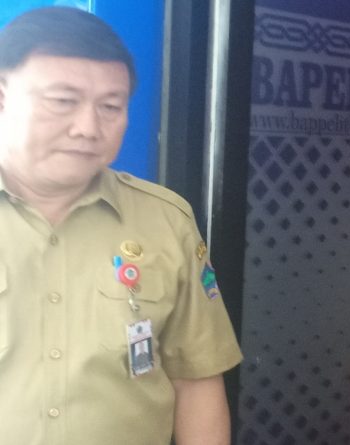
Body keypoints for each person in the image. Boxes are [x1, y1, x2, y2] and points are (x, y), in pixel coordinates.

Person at [0, 6, 242, 445]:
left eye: (111, 106)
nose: (88, 127)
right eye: (63, 101)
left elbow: (196, 381)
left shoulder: (165, 220)